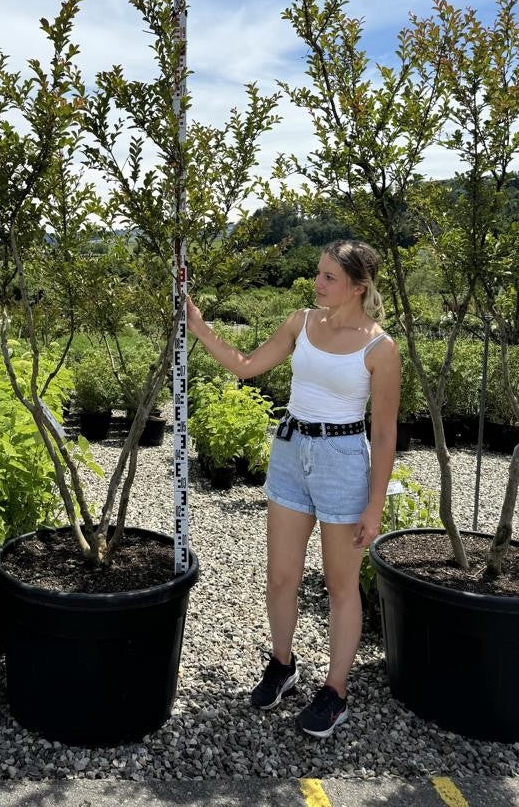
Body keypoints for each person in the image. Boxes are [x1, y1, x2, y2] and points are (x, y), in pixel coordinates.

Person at [186, 239, 400, 738]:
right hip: (289, 450)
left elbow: (386, 432)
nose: (317, 283)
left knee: (339, 585)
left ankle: (336, 691)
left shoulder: (379, 348)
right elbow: (244, 365)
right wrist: (199, 329)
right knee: (281, 577)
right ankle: (282, 666)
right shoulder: (299, 322)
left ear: (357, 286)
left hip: (344, 460)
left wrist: (374, 504)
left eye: (328, 277)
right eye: (318, 272)